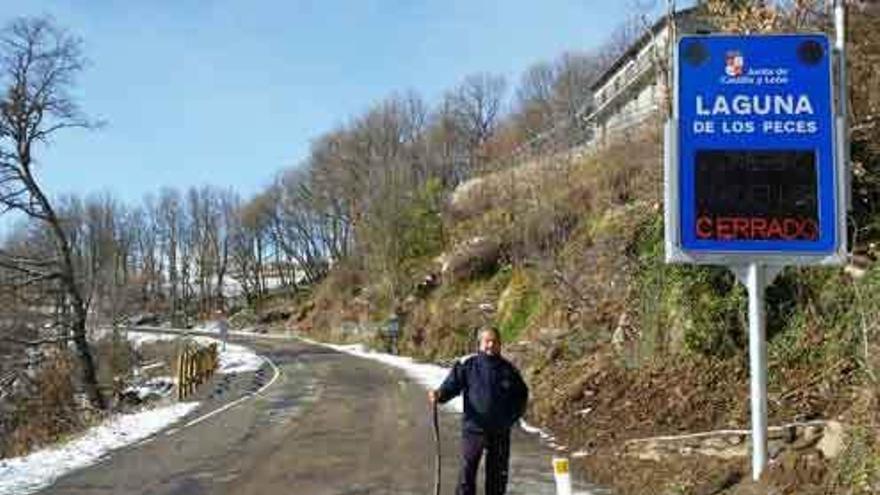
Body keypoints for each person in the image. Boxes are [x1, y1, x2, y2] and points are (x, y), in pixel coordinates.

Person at [428, 327, 529, 495]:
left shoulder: (508, 370)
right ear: (479, 344)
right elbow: (452, 385)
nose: (491, 345)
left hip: (499, 431)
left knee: (497, 474)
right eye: (487, 341)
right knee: (467, 472)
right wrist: (440, 394)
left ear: (500, 345)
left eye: (495, 341)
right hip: (473, 428)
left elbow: (521, 396)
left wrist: (510, 419)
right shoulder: (468, 365)